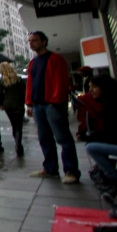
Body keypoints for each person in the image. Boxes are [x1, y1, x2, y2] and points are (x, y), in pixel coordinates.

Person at [25, 31, 80, 183]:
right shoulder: (33, 62)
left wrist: (56, 101)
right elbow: (31, 84)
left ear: (44, 41)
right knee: (44, 138)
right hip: (38, 105)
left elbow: (61, 82)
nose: (31, 43)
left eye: (35, 40)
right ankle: (50, 168)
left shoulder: (55, 59)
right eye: (29, 41)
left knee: (63, 138)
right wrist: (29, 103)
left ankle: (71, 171)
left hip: (53, 104)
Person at [0, 62, 27, 155]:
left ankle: (17, 141)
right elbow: (24, 91)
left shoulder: (2, 81)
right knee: (19, 125)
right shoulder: (18, 79)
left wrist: (1, 104)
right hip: (18, 103)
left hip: (8, 105)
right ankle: (18, 143)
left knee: (13, 124)